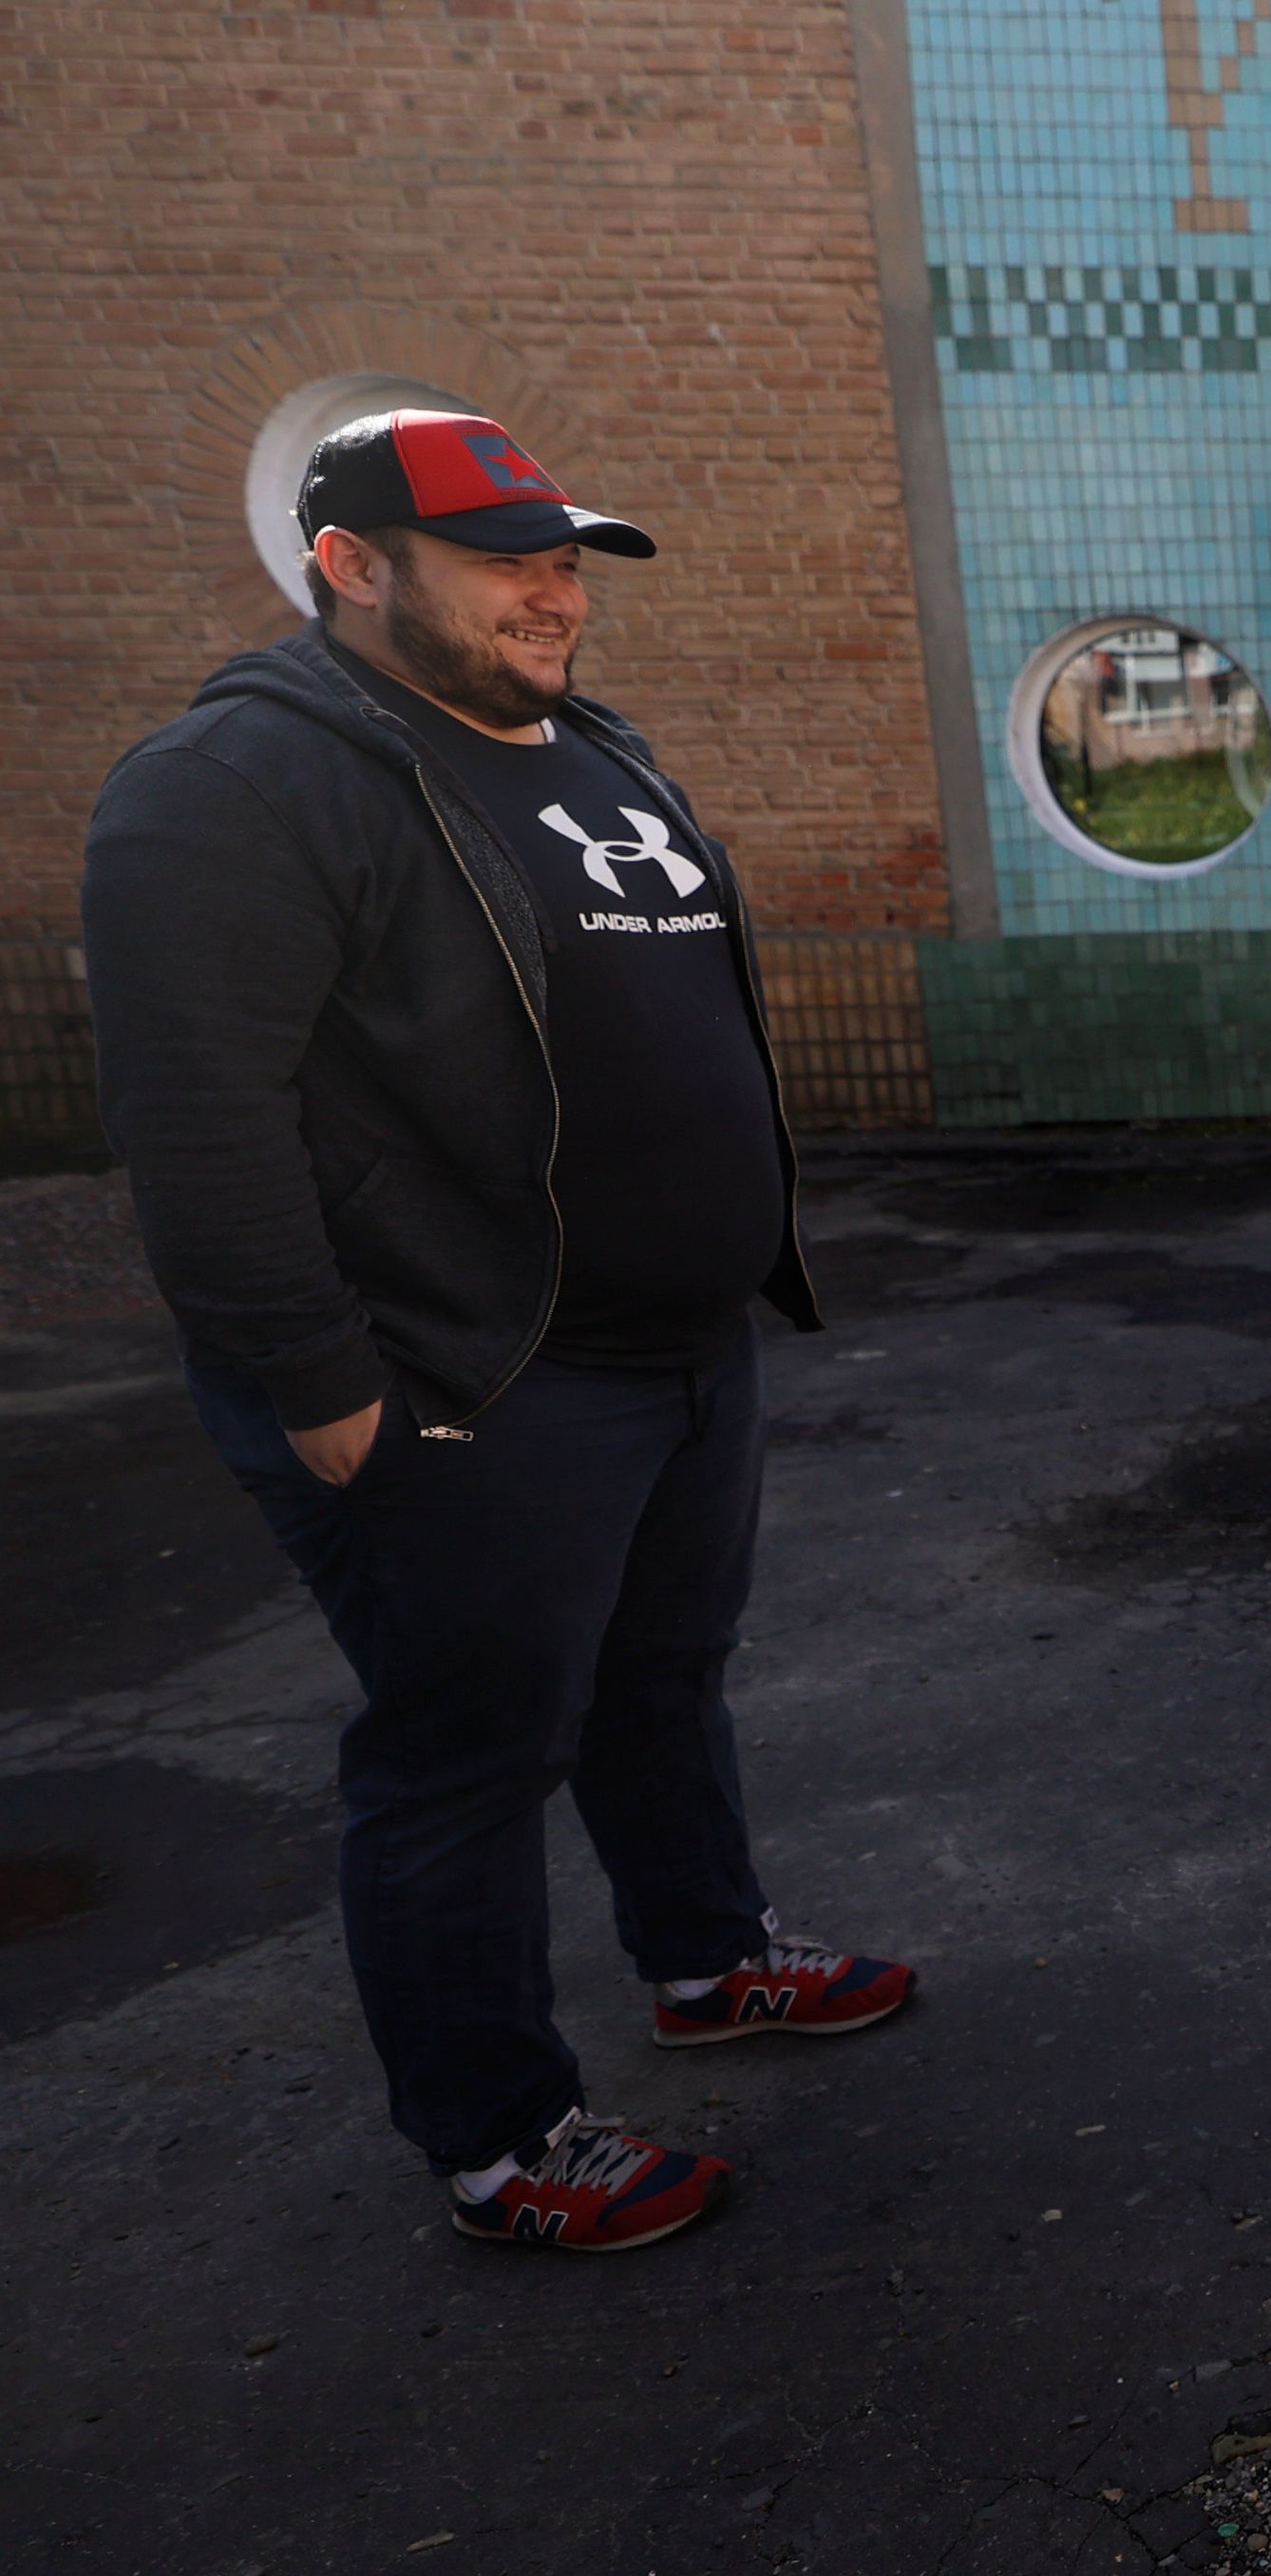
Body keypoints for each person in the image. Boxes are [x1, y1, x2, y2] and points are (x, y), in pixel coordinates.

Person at [79, 410, 911, 2254]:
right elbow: (196, 1120)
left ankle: (705, 1958)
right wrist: (322, 1393)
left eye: (564, 554)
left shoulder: (588, 747)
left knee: (662, 1675)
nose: (554, 588)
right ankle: (501, 2132)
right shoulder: (236, 783)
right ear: (350, 567)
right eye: (500, 557)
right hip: (473, 1374)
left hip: (684, 1349)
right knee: (466, 1756)